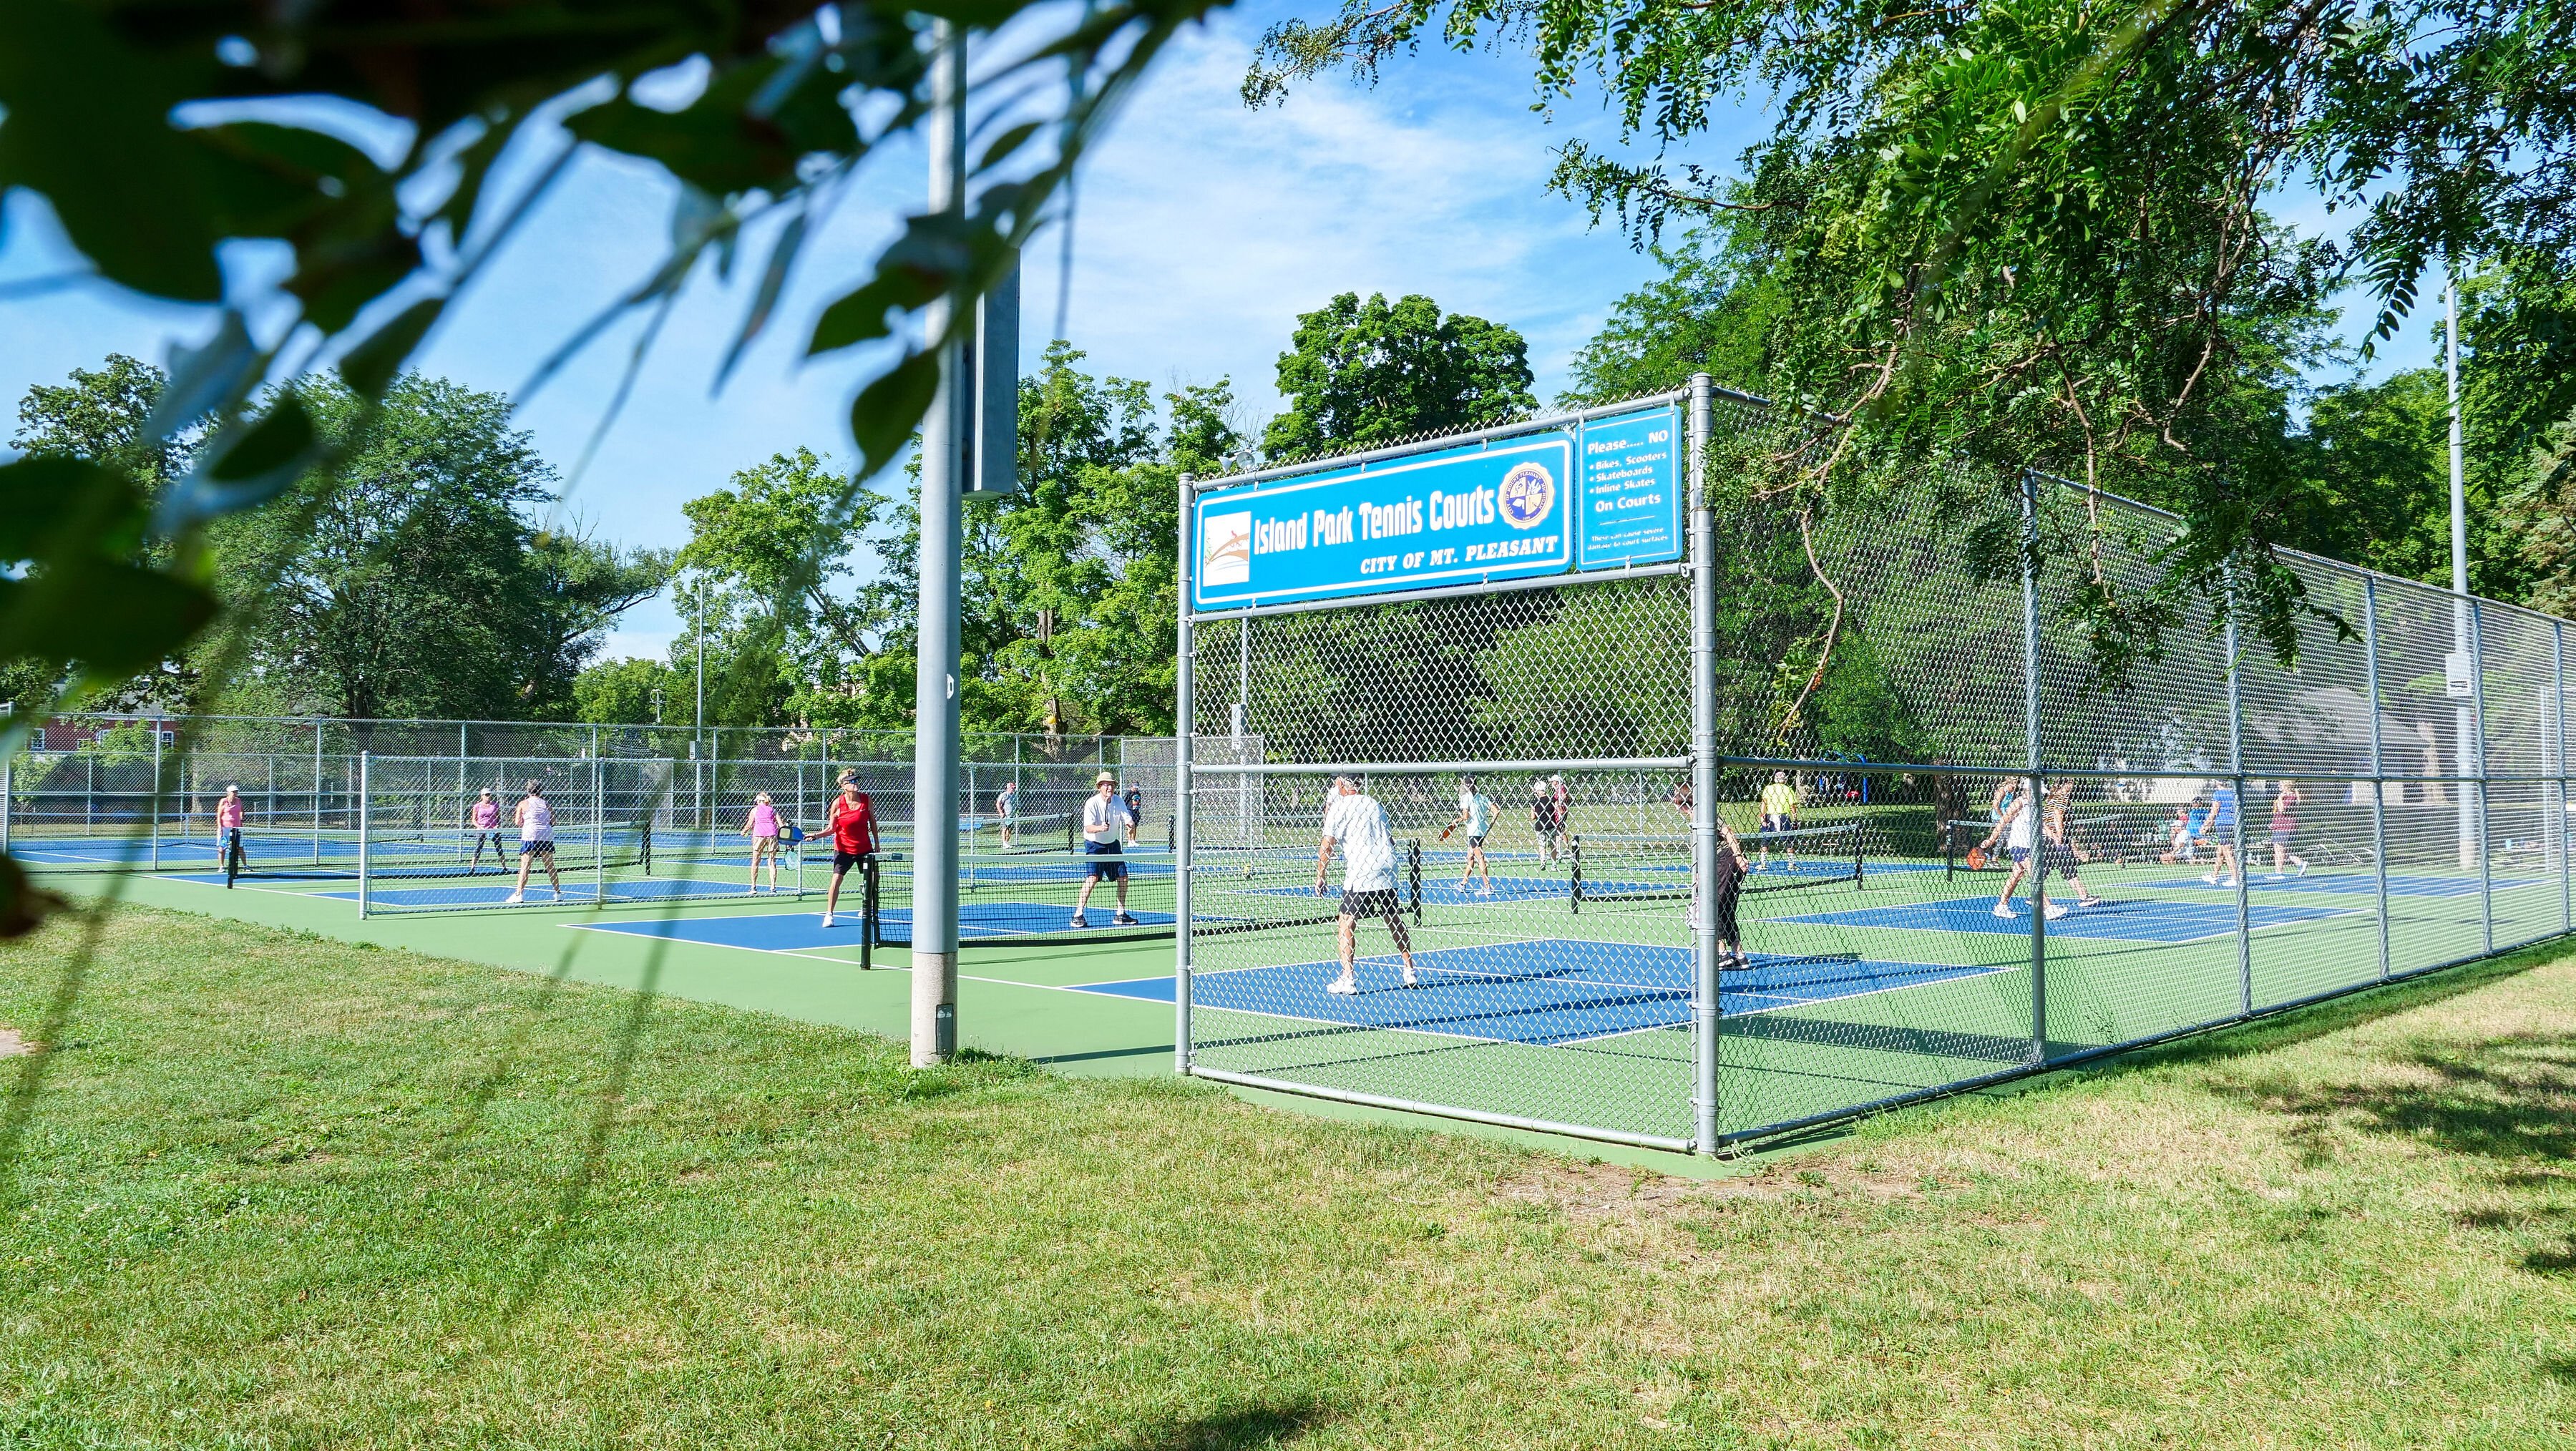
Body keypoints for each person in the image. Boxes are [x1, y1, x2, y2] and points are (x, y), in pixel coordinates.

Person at [1318, 776, 1417, 994]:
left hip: (1361, 872)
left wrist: (1321, 875)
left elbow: (1327, 844)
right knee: (1392, 917)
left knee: (1346, 923)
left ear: (1342, 785)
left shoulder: (1338, 808)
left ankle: (1348, 978)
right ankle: (1409, 969)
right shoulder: (1374, 803)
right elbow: (1389, 839)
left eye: (1337, 782)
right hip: (1386, 866)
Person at [1980, 778, 2064, 920]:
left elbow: (2042, 824)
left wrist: (2055, 838)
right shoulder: (2018, 803)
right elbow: (2002, 822)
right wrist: (1991, 840)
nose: (2041, 796)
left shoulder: (2036, 805)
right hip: (2017, 845)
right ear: (2029, 790)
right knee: (2034, 873)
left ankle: (2001, 906)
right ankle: (2049, 908)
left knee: (2017, 874)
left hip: (2028, 845)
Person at [1070, 771, 1138, 928]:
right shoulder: (1091, 803)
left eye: (1112, 785)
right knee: (1093, 878)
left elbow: (1126, 816)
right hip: (1094, 845)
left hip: (1113, 845)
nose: (1110, 787)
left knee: (1123, 878)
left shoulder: (1118, 800)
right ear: (1100, 787)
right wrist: (1100, 828)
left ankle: (1120, 914)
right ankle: (1078, 914)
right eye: (1106, 784)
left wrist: (1130, 823)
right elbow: (1088, 827)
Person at [819, 771, 879, 929]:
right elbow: (831, 829)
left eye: (856, 781)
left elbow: (872, 822)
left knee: (874, 878)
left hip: (865, 848)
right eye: (851, 782)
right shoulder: (838, 803)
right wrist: (816, 835)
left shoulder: (866, 800)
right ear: (843, 786)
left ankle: (865, 907)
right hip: (843, 849)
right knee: (836, 880)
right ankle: (829, 915)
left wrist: (877, 845)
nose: (855, 784)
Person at [2038, 781, 2104, 909]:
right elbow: (2058, 815)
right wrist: (2059, 835)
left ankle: (2035, 894)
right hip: (2057, 839)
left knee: (2045, 869)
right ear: (2064, 784)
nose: (2072, 786)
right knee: (2069, 869)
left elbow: (2045, 819)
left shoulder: (2051, 799)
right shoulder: (2062, 798)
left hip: (2046, 837)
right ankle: (2084, 897)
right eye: (2070, 783)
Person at [504, 779, 563, 904]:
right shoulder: (546, 804)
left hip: (530, 836)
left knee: (525, 866)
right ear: (540, 791)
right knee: (550, 866)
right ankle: (558, 893)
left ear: (528, 791)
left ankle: (519, 894)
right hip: (546, 836)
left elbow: (518, 822)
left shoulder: (523, 803)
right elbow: (554, 822)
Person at [1443, 774, 1495, 896]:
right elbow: (1496, 811)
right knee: (1470, 858)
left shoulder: (1466, 798)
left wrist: (1457, 820)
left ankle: (1487, 887)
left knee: (1479, 858)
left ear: (1466, 785)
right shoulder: (1482, 797)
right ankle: (1462, 884)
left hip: (1473, 831)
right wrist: (1490, 825)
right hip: (1481, 831)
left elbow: (1466, 817)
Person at [2196, 778, 2242, 888]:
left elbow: (2214, 812)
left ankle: (2235, 878)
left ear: (2218, 783)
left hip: (2223, 824)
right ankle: (2214, 875)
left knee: (2227, 852)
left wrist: (2205, 826)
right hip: (2233, 823)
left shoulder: (2218, 794)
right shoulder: (2233, 793)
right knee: (2220, 851)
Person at [741, 790, 784, 893]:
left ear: (760, 801)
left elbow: (749, 824)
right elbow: (781, 825)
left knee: (755, 861)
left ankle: (753, 887)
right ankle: (773, 887)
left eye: (757, 801)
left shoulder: (755, 810)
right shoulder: (773, 810)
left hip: (759, 836)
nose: (756, 803)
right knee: (772, 862)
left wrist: (743, 832)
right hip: (772, 835)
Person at [1757, 770, 1800, 872]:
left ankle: (1763, 864)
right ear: (1784, 780)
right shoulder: (1788, 789)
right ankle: (1791, 864)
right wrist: (1795, 818)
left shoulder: (1768, 788)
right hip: (1783, 816)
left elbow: (1764, 803)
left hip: (1770, 815)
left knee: (1765, 839)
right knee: (1789, 840)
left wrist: (1762, 817)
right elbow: (1792, 806)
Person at [2266, 780, 2308, 879]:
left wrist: (2280, 798)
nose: (2278, 786)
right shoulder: (2287, 796)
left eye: (2280, 784)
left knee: (2278, 850)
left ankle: (2279, 873)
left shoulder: (2290, 796)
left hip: (2284, 826)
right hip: (2280, 825)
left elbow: (2282, 810)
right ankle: (2301, 863)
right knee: (2285, 851)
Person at [467, 787, 509, 873]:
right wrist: (480, 827)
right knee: (478, 848)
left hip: (493, 830)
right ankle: (472, 868)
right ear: (482, 796)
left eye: (489, 795)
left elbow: (498, 817)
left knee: (499, 848)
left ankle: (504, 868)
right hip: (482, 829)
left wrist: (497, 825)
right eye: (486, 795)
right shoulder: (477, 806)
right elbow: (474, 820)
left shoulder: (495, 805)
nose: (488, 796)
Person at [216, 784, 245, 887]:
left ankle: (245, 865)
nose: (235, 793)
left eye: (236, 791)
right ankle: (221, 866)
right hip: (225, 828)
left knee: (240, 848)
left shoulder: (239, 800)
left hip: (237, 828)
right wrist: (220, 827)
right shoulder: (223, 801)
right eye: (233, 792)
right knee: (222, 848)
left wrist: (241, 816)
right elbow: (219, 815)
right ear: (228, 793)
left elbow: (242, 810)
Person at [1531, 777, 1558, 864]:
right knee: (1553, 845)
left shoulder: (1536, 802)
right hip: (1551, 825)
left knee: (1542, 845)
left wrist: (1533, 810)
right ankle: (1554, 864)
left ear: (1539, 791)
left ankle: (1543, 859)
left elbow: (1533, 817)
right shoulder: (1552, 799)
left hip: (1540, 826)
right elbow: (1557, 810)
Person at [994, 780, 1020, 849]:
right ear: (1008, 788)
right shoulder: (1004, 795)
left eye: (1014, 788)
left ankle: (1006, 843)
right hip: (1005, 816)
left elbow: (1016, 805)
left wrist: (1017, 811)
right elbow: (998, 804)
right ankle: (1004, 843)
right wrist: (1001, 813)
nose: (1013, 789)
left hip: (1012, 816)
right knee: (1004, 829)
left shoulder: (1015, 795)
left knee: (1010, 830)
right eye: (1012, 788)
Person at [1123, 781, 1144, 846]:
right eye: (1135, 787)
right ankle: (1129, 841)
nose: (1136, 788)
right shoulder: (1128, 793)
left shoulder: (1138, 793)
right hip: (1130, 811)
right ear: (1132, 786)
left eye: (1137, 787)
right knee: (1130, 826)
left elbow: (1139, 801)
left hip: (1136, 811)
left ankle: (1133, 840)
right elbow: (1124, 802)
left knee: (1135, 826)